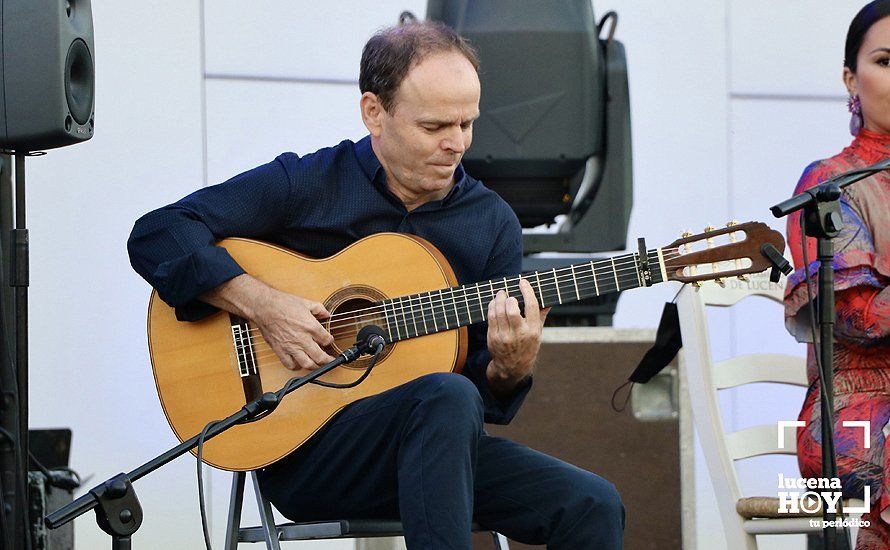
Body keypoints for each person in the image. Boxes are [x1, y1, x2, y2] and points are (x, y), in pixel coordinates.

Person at [128, 21, 625, 549]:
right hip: (312, 453)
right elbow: (157, 234)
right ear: (374, 113)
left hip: (438, 452)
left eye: (467, 123)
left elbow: (481, 398)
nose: (455, 144)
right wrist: (262, 304)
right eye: (435, 126)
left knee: (593, 504)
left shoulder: (491, 223)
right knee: (446, 395)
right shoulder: (309, 183)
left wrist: (510, 367)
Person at [785, 2, 890, 548]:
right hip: (855, 412)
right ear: (851, 77)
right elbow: (856, 316)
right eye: (887, 60)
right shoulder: (827, 184)